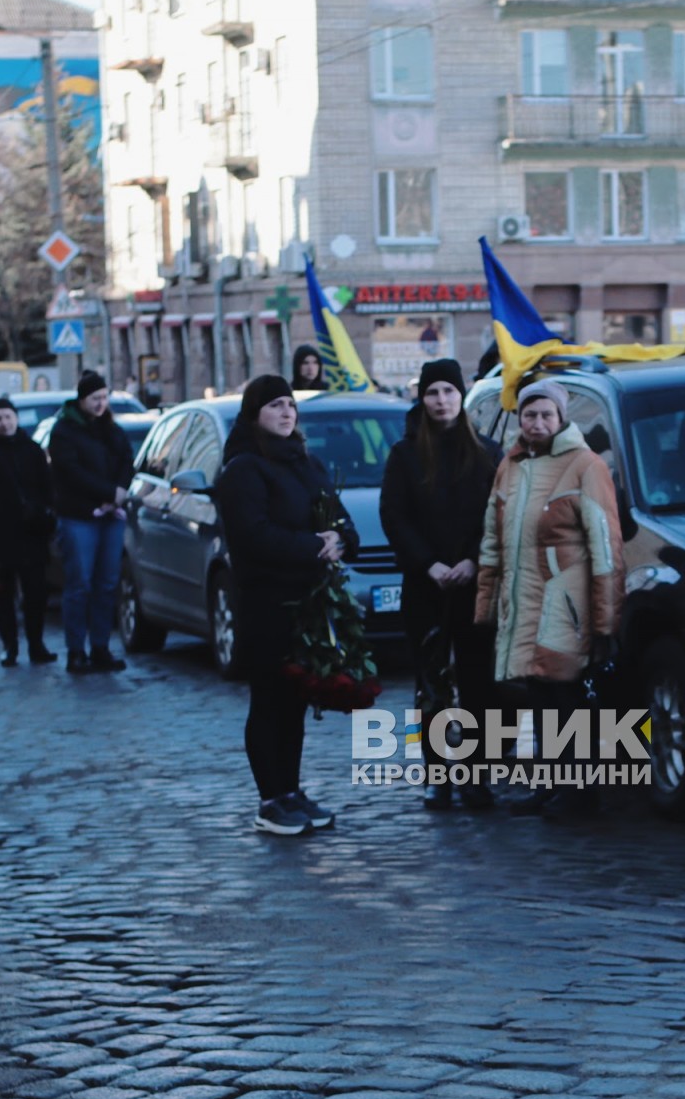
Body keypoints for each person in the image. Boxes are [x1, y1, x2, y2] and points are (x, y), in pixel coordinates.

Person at [474, 381, 624, 821]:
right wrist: (487, 605)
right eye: (529, 415)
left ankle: (579, 792)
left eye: (546, 415)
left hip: (566, 604)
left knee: (567, 699)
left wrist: (605, 621)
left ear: (561, 419)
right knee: (539, 697)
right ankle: (550, 784)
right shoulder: (510, 466)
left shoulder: (585, 466)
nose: (537, 423)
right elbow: (492, 540)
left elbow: (606, 548)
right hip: (523, 605)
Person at [215, 375, 353, 836]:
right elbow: (253, 536)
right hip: (265, 600)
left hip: (308, 603)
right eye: (275, 405)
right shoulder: (243, 469)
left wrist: (340, 539)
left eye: (290, 404)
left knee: (295, 699)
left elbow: (339, 517)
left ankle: (291, 791)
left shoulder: (306, 461)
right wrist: (313, 545)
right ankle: (270, 799)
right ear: (255, 413)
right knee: (270, 700)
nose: (286, 412)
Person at [380, 358, 502, 812]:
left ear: (462, 396)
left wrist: (473, 560)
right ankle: (438, 775)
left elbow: (497, 515)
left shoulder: (488, 452)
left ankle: (476, 775)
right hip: (425, 585)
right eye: (433, 393)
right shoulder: (405, 454)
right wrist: (428, 563)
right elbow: (395, 516)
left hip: (476, 583)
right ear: (422, 398)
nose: (441, 401)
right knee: (432, 683)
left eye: (449, 392)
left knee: (479, 683)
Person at [47, 370, 133, 672]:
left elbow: (126, 460)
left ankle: (100, 647)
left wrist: (119, 491)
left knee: (107, 583)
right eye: (95, 398)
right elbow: (70, 472)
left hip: (111, 516)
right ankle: (75, 650)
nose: (100, 404)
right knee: (79, 584)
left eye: (104, 397)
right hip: (79, 516)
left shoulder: (111, 427)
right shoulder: (64, 431)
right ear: (82, 399)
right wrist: (109, 492)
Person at [0, 398, 57, 667]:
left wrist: (45, 514)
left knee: (35, 593)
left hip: (31, 532)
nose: (4, 423)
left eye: (7, 417)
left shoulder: (32, 450)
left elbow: (48, 488)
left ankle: (36, 643)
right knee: (1, 594)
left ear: (16, 418)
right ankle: (9, 645)